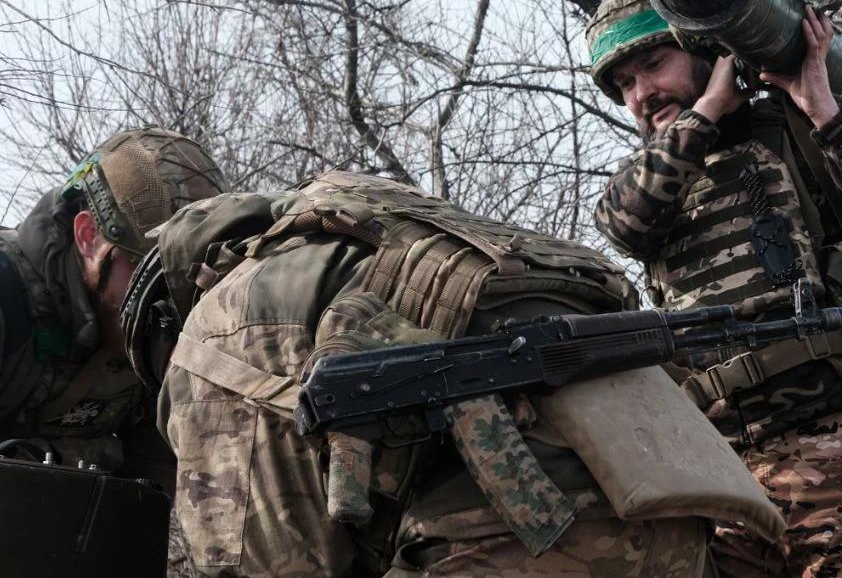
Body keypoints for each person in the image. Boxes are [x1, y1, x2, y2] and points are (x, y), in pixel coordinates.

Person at [124, 171, 783, 577]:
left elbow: (269, 563)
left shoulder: (216, 332)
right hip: (683, 528)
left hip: (525, 546)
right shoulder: (375, 239)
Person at [586, 0, 842, 576]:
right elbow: (624, 223)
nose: (643, 93)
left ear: (704, 54)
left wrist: (826, 113)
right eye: (625, 85)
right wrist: (704, 115)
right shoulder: (653, 182)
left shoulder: (799, 132)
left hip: (828, 448)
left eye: (655, 65)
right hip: (713, 467)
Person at [0, 127, 228, 479]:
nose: (171, 300)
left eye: (188, 279)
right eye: (151, 272)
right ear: (88, 238)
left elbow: (151, 498)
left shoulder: (160, 328)